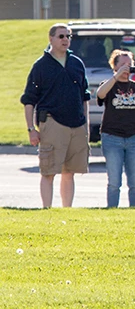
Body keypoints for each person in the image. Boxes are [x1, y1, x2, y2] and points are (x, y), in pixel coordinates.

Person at [21, 24, 91, 208]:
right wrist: (31, 129)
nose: (65, 39)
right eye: (61, 36)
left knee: (70, 172)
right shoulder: (41, 66)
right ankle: (47, 209)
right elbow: (29, 100)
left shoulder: (77, 63)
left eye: (68, 36)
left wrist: (86, 127)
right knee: (49, 171)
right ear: (50, 38)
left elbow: (85, 98)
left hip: (77, 124)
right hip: (52, 122)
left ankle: (66, 210)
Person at [96, 49, 135, 208]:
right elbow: (100, 94)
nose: (127, 68)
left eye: (129, 65)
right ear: (114, 66)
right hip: (112, 137)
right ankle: (112, 210)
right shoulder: (108, 85)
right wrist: (116, 77)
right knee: (114, 182)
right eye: (122, 65)